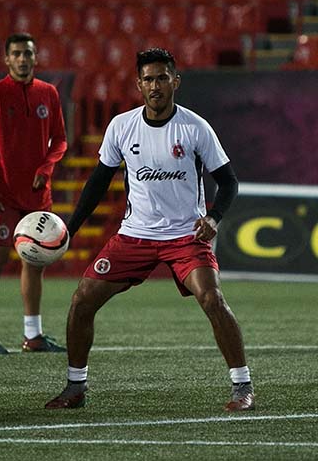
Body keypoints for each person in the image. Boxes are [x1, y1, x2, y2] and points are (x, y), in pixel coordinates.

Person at [45, 48, 252, 412]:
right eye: (148, 79)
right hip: (135, 236)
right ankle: (75, 387)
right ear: (138, 84)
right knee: (81, 300)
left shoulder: (194, 127)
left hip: (186, 237)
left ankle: (242, 386)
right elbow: (97, 182)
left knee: (212, 298)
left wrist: (214, 218)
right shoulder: (122, 126)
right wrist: (70, 229)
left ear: (175, 81)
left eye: (161, 78)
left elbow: (228, 181)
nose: (155, 85)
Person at [0, 33, 68, 355]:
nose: (23, 59)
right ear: (7, 59)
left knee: (35, 262)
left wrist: (46, 169)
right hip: (3, 194)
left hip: (37, 196)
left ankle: (33, 336)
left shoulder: (48, 93)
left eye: (28, 53)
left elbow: (60, 141)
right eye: (16, 53)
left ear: (35, 56)